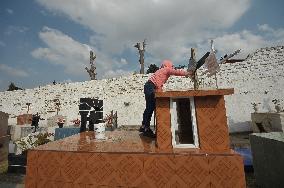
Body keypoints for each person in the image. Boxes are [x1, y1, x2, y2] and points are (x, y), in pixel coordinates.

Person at [140, 60, 193, 138]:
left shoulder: (160, 71)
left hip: (149, 86)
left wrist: (159, 91)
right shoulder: (166, 69)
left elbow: (159, 82)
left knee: (149, 107)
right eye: (172, 66)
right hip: (150, 87)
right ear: (168, 65)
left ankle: (144, 126)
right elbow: (176, 72)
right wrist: (187, 73)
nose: (172, 67)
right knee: (150, 107)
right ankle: (146, 128)